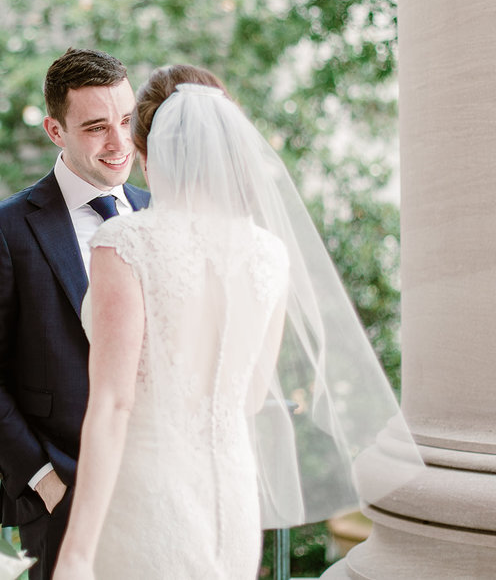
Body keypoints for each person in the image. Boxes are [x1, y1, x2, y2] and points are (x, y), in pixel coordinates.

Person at [52, 64, 424, 579]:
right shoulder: (267, 254)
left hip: (145, 496)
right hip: (232, 497)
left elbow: (113, 405)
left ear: (144, 153)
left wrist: (75, 551)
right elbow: (249, 398)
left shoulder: (127, 243)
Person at [0, 48, 151, 579]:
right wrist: (42, 478)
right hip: (62, 494)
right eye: (95, 127)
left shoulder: (164, 214)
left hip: (160, 483)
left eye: (127, 121)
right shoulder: (2, 231)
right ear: (55, 130)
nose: (119, 142)